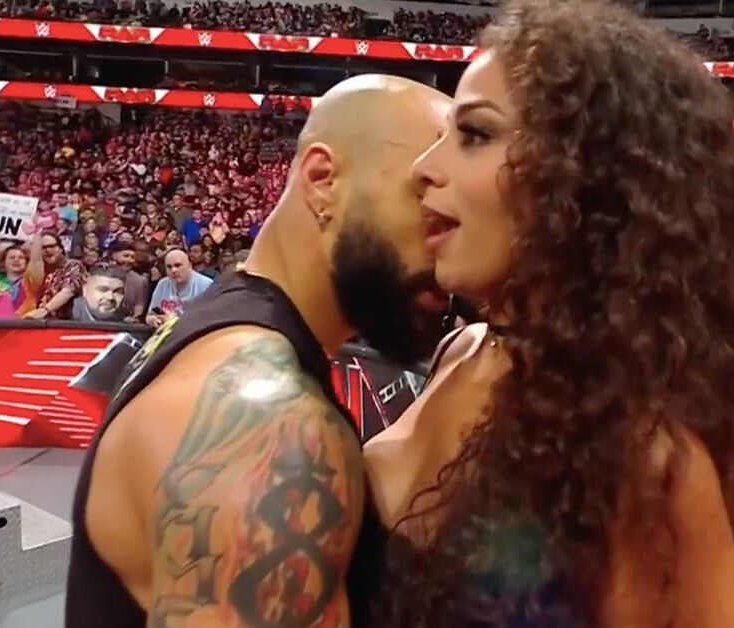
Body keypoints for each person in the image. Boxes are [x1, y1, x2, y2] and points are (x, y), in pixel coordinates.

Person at [363, 1, 734, 625]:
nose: (424, 168)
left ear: (585, 177)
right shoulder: (462, 350)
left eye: (475, 134)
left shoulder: (649, 462)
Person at [65, 74, 450, 628]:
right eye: (430, 207)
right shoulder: (272, 422)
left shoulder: (223, 334)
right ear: (323, 181)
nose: (449, 249)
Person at [146, 248, 213, 327]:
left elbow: (210, 319)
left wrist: (175, 320)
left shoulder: (206, 285)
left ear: (189, 266)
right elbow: (149, 316)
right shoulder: (162, 284)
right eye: (169, 267)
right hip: (166, 331)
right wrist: (153, 320)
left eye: (178, 265)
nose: (173, 270)